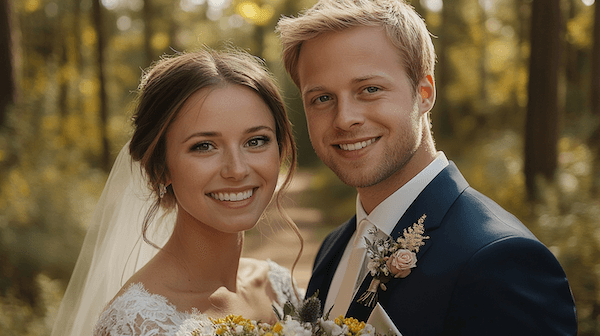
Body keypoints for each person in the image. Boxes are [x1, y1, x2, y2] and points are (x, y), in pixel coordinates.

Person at [276, 0, 578, 334]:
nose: (345, 118)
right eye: (322, 98)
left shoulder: (500, 261)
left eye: (369, 89)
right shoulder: (334, 247)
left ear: (424, 93)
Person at [50, 49, 301, 336]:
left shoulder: (279, 288)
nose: (237, 169)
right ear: (160, 168)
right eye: (204, 146)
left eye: (256, 141)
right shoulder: (137, 324)